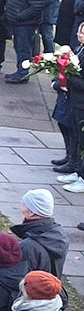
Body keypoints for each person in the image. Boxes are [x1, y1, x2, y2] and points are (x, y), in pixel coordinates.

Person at [4, 0, 45, 84]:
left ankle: (23, 74)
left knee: (23, 49)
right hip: (19, 23)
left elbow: (36, 6)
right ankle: (20, 71)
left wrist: (19, 16)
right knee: (19, 47)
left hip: (25, 24)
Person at [10, 190, 69, 280]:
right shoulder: (60, 234)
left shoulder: (28, 246)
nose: (20, 208)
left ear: (31, 212)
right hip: (50, 290)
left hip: (32, 292)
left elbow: (17, 280)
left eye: (23, 204)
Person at [58, 30, 84, 193]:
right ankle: (78, 171)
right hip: (75, 101)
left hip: (82, 102)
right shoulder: (80, 48)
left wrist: (68, 77)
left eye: (82, 32)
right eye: (79, 31)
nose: (79, 34)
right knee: (76, 136)